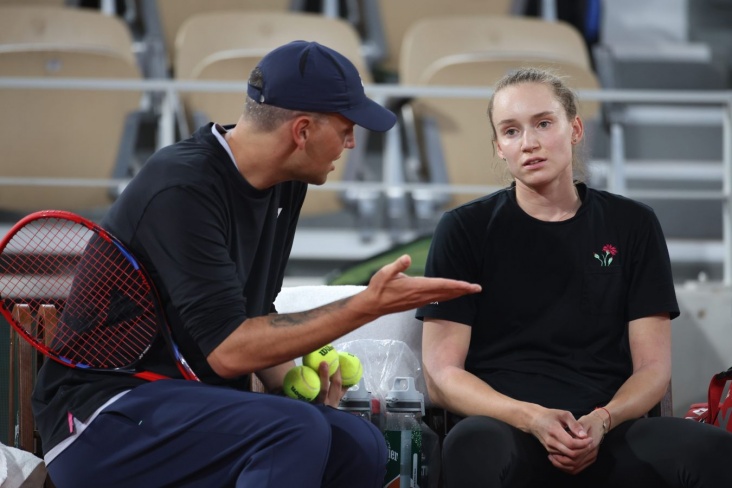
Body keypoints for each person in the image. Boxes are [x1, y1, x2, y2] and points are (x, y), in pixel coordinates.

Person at [32, 40, 481, 487]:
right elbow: (230, 351)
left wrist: (295, 384)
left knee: (357, 441)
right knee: (295, 430)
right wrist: (368, 304)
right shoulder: (181, 188)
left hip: (184, 408)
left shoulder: (285, 184)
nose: (351, 142)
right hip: (99, 417)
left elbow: (256, 315)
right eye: (347, 127)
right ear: (301, 131)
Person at [416, 67, 732, 488]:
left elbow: (653, 368)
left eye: (544, 124)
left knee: (714, 451)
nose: (529, 143)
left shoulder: (632, 224)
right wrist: (532, 418)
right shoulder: (463, 229)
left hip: (610, 431)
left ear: (575, 129)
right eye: (511, 132)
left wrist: (602, 420)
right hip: (506, 427)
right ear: (498, 148)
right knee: (472, 446)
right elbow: (441, 377)